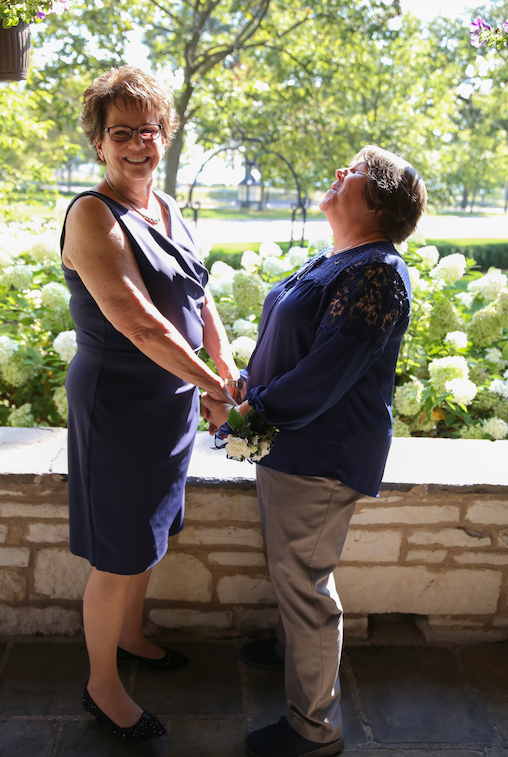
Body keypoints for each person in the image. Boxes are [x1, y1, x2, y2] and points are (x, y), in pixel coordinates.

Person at [202, 146, 427, 757]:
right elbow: (293, 341)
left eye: (351, 172)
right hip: (292, 445)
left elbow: (328, 373)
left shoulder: (377, 273)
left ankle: (315, 729)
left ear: (377, 201)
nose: (336, 174)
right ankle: (287, 652)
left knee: (306, 586)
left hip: (323, 455)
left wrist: (252, 414)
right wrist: (251, 386)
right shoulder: (339, 261)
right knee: (290, 570)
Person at [60, 65, 239, 741]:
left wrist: (221, 364)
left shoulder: (165, 207)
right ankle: (101, 685)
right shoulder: (91, 214)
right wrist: (215, 389)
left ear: (165, 136)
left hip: (169, 395)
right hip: (119, 402)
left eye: (150, 130)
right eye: (122, 132)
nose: (139, 143)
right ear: (99, 143)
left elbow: (198, 297)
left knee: (150, 532)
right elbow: (141, 325)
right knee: (119, 549)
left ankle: (131, 636)